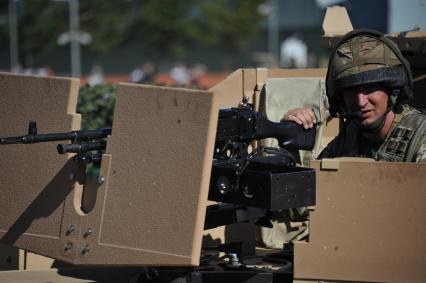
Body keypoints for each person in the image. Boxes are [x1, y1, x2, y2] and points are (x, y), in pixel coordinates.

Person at [282, 29, 426, 163]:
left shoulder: (420, 137)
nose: (361, 101)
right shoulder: (351, 134)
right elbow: (312, 181)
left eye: (370, 88)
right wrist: (291, 139)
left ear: (392, 90)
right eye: (351, 91)